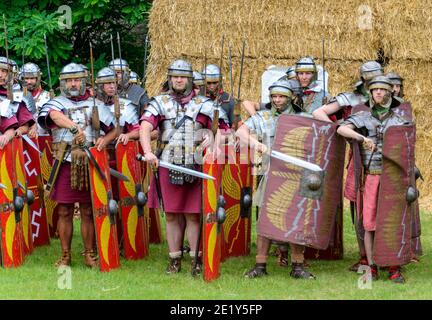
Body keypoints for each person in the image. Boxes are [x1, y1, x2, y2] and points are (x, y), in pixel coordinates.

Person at [139, 59, 227, 275]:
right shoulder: (159, 102)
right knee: (171, 214)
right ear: (169, 79)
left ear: (190, 79)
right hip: (167, 163)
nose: (178, 80)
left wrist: (213, 140)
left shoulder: (205, 104)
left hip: (195, 164)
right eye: (175, 76)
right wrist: (148, 151)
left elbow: (225, 129)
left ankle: (195, 259)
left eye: (183, 77)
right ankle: (174, 259)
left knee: (193, 215)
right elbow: (145, 126)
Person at [38, 63, 117, 268]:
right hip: (64, 161)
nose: (73, 83)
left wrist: (105, 140)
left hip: (89, 161)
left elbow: (115, 129)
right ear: (63, 83)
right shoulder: (55, 103)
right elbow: (53, 116)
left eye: (76, 80)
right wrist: (74, 127)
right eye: (68, 80)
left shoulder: (96, 104)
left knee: (88, 210)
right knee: (63, 210)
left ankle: (89, 253)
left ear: (83, 81)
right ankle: (65, 255)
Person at [236, 80, 316, 279]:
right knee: (265, 219)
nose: (277, 100)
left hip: (298, 175)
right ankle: (260, 265)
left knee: (296, 220)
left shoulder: (303, 117)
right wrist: (258, 145)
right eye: (274, 97)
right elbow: (240, 131)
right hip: (271, 173)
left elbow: (316, 143)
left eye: (281, 97)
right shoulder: (262, 117)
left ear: (290, 97)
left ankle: (298, 266)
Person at [337, 75, 410, 283]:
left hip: (392, 179)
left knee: (391, 222)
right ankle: (370, 266)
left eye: (382, 89)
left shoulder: (400, 120)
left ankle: (393, 266)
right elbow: (341, 128)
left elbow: (408, 150)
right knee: (369, 223)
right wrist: (361, 137)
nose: (378, 92)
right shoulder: (363, 117)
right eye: (374, 90)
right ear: (370, 93)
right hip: (371, 177)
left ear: (390, 92)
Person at [312, 61, 384, 272]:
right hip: (360, 158)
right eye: (371, 80)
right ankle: (364, 257)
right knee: (359, 207)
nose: (375, 87)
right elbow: (319, 113)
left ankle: (386, 254)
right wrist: (341, 131)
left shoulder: (387, 99)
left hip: (384, 161)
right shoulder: (350, 98)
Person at [0, 57, 35, 137]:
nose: (0, 75)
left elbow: (26, 125)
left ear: (11, 74)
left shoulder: (19, 97)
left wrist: (19, 130)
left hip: (9, 143)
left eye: (4, 71)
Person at [20, 62, 52, 137]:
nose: (29, 82)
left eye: (32, 78)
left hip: (43, 138)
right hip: (21, 138)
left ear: (37, 78)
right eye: (26, 78)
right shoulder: (17, 96)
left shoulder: (48, 96)